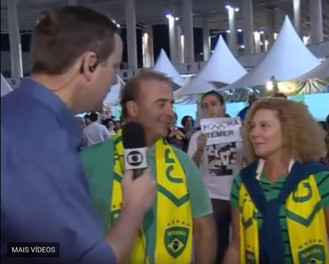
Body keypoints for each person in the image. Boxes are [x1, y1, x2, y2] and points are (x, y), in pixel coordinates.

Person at [1, 6, 156, 264]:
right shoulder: (43, 142)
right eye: (114, 66)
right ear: (89, 64)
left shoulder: (15, 117)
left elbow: (36, 248)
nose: (114, 81)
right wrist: (135, 208)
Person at [81, 71, 216, 264]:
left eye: (171, 104)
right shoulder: (90, 161)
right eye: (161, 104)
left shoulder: (183, 163)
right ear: (133, 108)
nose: (171, 113)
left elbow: (204, 227)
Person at [224, 98, 329, 264]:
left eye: (265, 126)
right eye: (252, 126)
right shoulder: (242, 182)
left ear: (289, 130)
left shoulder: (320, 179)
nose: (254, 133)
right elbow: (236, 245)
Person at [188, 90, 245, 264]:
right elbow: (191, 168)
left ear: (223, 106)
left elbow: (250, 162)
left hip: (238, 194)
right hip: (212, 197)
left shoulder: (239, 132)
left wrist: (247, 139)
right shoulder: (198, 136)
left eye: (214, 104)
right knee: (217, 245)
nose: (210, 109)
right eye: (205, 106)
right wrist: (199, 149)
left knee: (241, 242)